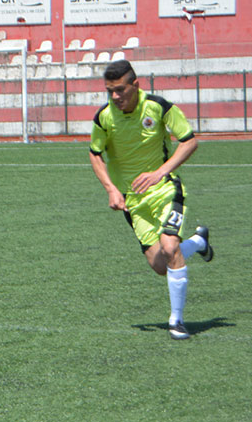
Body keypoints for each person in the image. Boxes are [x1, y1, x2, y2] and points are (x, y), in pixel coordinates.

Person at [88, 60, 215, 340]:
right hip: (133, 202)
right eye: (110, 91)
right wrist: (111, 188)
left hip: (166, 190)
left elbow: (189, 141)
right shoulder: (104, 117)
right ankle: (198, 242)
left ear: (135, 85)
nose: (115, 96)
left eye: (120, 90)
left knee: (170, 248)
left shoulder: (158, 107)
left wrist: (160, 173)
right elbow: (95, 153)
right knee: (160, 266)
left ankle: (176, 321)